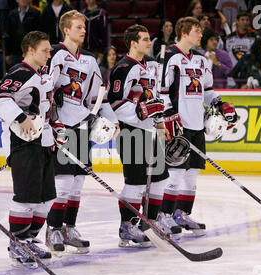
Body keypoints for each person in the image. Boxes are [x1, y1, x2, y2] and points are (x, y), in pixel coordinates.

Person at [44, 10, 118, 254]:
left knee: (77, 183)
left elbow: (97, 95)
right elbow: (44, 90)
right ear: (66, 29)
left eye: (84, 27)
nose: (83, 30)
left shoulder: (89, 60)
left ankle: (69, 227)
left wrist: (112, 120)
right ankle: (53, 228)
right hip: (61, 127)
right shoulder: (54, 54)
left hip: (83, 126)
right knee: (63, 183)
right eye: (78, 27)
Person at [0, 31, 63, 267]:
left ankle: (29, 239)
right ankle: (17, 242)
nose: (49, 53)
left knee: (46, 197)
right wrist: (20, 117)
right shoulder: (20, 72)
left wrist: (55, 127)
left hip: (42, 142)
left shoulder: (42, 75)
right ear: (30, 50)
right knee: (26, 196)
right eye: (45, 50)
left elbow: (44, 110)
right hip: (22, 143)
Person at [159, 17, 238, 235]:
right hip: (178, 124)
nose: (201, 35)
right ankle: (164, 215)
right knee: (175, 172)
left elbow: (208, 90)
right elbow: (162, 90)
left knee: (192, 172)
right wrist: (167, 115)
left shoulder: (202, 60)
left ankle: (181, 213)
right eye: (197, 30)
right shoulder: (170, 57)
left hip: (196, 124)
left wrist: (221, 104)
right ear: (184, 32)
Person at [107, 24, 171, 248]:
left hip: (153, 130)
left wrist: (161, 120)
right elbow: (115, 101)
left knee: (160, 179)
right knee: (135, 183)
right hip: (131, 131)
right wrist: (140, 113)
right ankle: (128, 225)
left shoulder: (152, 65)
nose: (148, 42)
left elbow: (157, 97)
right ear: (133, 43)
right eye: (144, 39)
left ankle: (153, 219)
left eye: (149, 38)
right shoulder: (123, 67)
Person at [4, 0, 41, 68]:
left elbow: (39, 35)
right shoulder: (11, 14)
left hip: (31, 51)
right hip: (15, 52)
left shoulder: (36, 13)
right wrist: (7, 54)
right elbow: (8, 35)